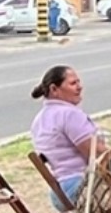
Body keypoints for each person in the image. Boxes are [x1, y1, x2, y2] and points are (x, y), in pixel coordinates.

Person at [30, 66, 106, 201]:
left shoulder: (39, 119)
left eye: (79, 82)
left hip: (59, 192)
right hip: (79, 188)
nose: (80, 87)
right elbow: (96, 154)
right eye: (73, 83)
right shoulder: (69, 114)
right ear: (54, 89)